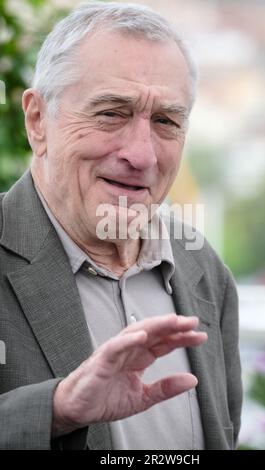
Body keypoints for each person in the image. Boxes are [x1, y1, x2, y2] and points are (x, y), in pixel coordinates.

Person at [0, 1, 242, 450]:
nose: (142, 155)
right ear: (37, 121)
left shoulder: (203, 268)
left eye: (166, 121)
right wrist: (56, 411)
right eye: (111, 112)